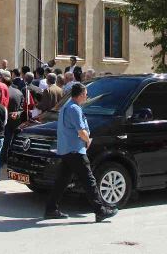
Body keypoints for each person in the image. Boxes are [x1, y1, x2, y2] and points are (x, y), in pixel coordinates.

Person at [44, 83, 117, 222]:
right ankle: (100, 210)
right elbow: (81, 131)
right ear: (80, 95)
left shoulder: (66, 106)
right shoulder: (74, 109)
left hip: (66, 150)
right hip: (76, 150)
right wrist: (87, 140)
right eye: (85, 94)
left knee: (62, 181)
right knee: (89, 180)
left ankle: (51, 208)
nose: (87, 96)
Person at [3, 74, 24, 163]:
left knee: (6, 140)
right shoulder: (19, 92)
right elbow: (22, 107)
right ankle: (14, 157)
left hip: (6, 118)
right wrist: (18, 113)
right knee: (15, 140)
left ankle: (4, 158)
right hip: (17, 119)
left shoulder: (3, 92)